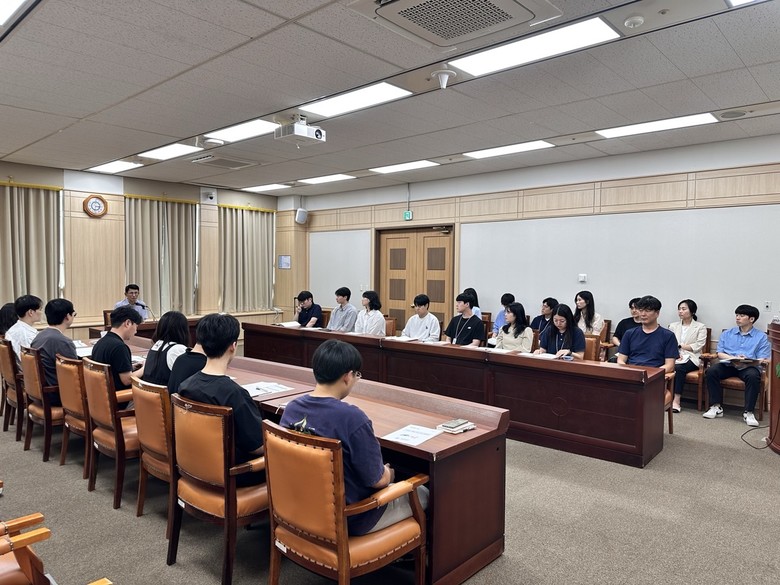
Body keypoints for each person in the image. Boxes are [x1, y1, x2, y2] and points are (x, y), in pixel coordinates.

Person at [280, 339, 428, 535]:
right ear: (348, 376)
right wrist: (390, 473)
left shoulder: (292, 408)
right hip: (350, 518)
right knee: (423, 492)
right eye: (357, 375)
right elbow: (377, 480)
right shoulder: (352, 419)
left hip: (301, 507)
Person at [178, 313, 264, 486]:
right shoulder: (234, 394)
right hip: (232, 474)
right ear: (233, 346)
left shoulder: (186, 385)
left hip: (195, 466)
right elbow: (257, 447)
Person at [703, 304, 770, 427]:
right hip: (729, 365)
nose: (738, 318)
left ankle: (749, 412)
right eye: (737, 315)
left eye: (742, 315)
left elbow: (763, 358)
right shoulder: (727, 333)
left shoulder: (762, 337)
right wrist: (732, 358)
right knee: (711, 371)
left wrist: (747, 360)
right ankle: (716, 406)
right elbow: (720, 353)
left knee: (753, 376)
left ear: (751, 319)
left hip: (749, 367)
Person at [30, 298, 79, 406]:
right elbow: (74, 375)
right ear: (67, 316)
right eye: (74, 315)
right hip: (57, 395)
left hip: (41, 391)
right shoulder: (63, 342)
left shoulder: (39, 336)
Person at [616, 295, 677, 374]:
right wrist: (629, 372)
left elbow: (670, 365)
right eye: (641, 310)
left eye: (647, 311)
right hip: (631, 373)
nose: (643, 314)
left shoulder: (668, 336)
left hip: (654, 374)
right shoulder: (629, 333)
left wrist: (652, 374)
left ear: (657, 313)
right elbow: (621, 360)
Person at [91, 305, 144, 392]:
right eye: (136, 326)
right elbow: (127, 380)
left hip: (101, 394)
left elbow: (113, 368)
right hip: (118, 397)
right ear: (128, 323)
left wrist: (131, 367)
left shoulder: (101, 342)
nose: (136, 331)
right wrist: (145, 368)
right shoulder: (120, 347)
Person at [668, 299, 708, 412]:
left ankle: (676, 400)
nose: (680, 311)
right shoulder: (673, 326)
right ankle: (663, 397)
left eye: (684, 309)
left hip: (692, 356)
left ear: (692, 311)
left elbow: (698, 345)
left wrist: (680, 346)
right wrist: (676, 354)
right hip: (675, 355)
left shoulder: (700, 327)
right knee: (664, 365)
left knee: (679, 368)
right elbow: (668, 343)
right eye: (679, 309)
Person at [141, 311, 189, 387]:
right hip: (168, 393)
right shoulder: (177, 349)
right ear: (183, 330)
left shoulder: (156, 345)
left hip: (150, 393)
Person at [5, 295, 43, 365]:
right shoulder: (28, 335)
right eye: (40, 309)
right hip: (28, 370)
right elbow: (31, 363)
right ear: (31, 312)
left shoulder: (12, 329)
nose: (41, 312)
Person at [608, 297, 642, 362]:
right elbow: (615, 337)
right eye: (632, 308)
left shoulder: (646, 325)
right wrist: (621, 345)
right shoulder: (624, 322)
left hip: (638, 353)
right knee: (612, 361)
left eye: (637, 308)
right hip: (623, 352)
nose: (634, 310)